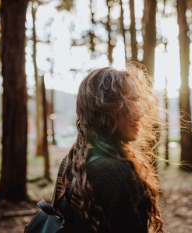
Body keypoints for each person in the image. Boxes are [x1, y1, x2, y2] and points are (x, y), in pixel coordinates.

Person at [54, 66, 165, 233]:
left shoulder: (71, 161)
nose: (140, 113)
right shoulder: (114, 171)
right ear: (108, 109)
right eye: (131, 102)